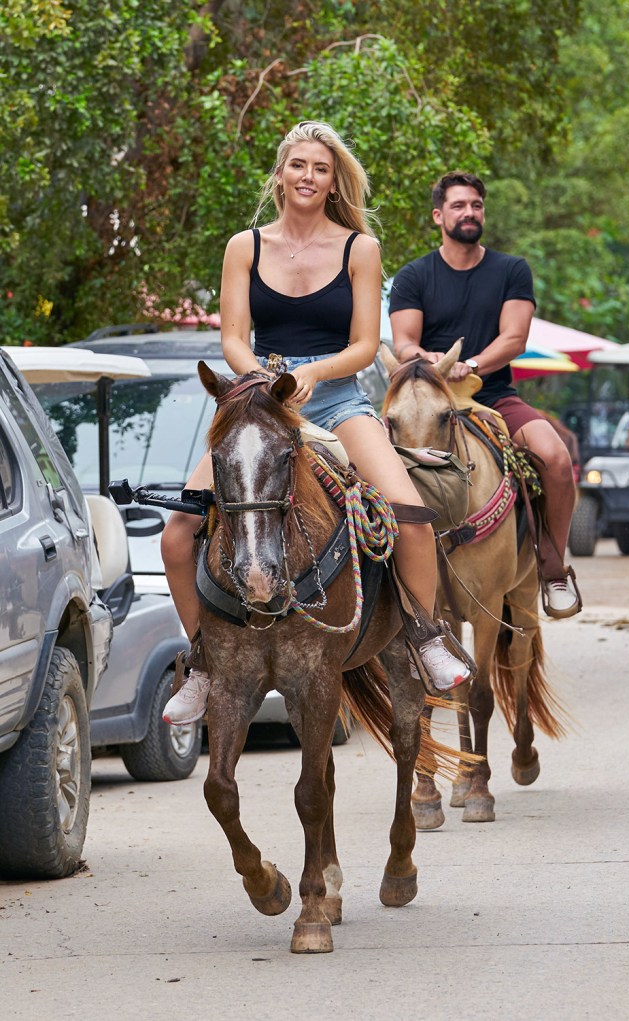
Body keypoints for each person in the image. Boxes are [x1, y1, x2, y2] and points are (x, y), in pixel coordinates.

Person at [161, 122, 472, 725]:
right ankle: (201, 663)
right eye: (298, 165)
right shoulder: (244, 246)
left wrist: (312, 375)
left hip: (335, 402)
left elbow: (363, 345)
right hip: (260, 403)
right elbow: (231, 336)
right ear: (280, 173)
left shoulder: (359, 248)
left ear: (334, 182)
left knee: (411, 518)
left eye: (321, 169)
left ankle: (425, 635)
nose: (308, 176)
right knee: (177, 532)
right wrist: (266, 382)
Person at [389, 170, 580, 619]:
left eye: (476, 205)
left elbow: (514, 338)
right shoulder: (414, 275)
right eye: (458, 206)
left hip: (492, 394)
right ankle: (376, 572)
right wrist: (433, 361)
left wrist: (470, 365)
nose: (469, 212)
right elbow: (403, 344)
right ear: (438, 216)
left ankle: (552, 565)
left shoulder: (511, 270)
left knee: (555, 458)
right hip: (428, 401)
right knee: (364, 469)